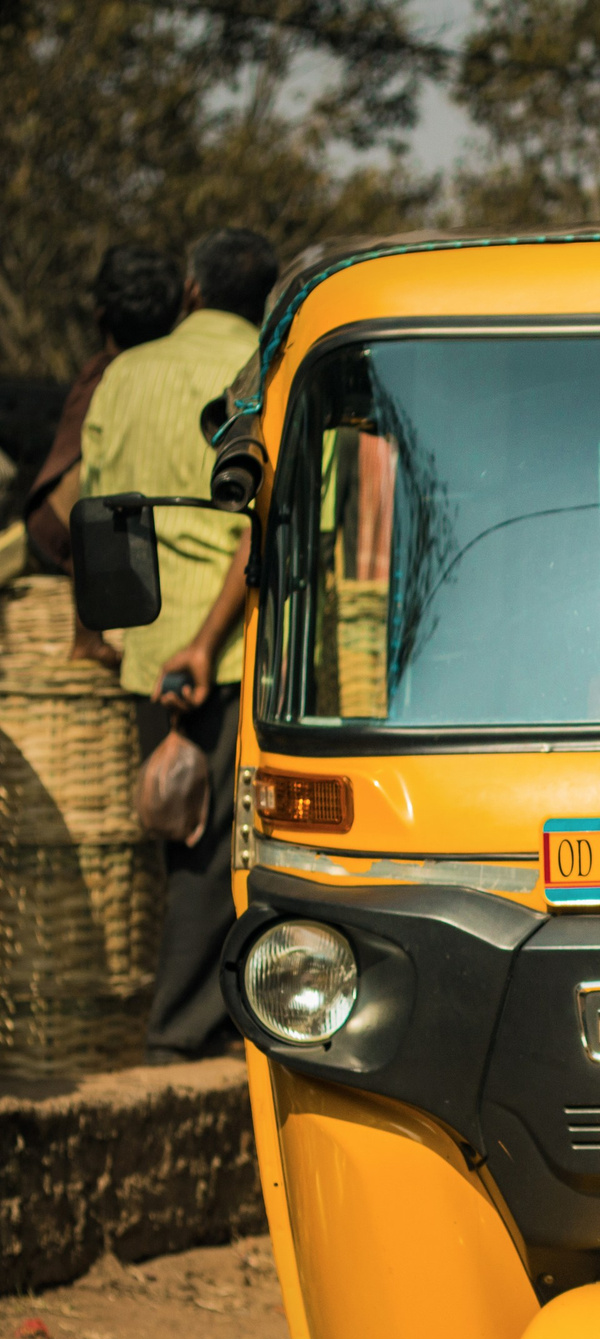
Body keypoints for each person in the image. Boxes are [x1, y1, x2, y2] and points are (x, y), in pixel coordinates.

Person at [80, 226, 278, 1062]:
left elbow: (97, 512)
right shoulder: (264, 375)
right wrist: (204, 644)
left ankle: (195, 1024)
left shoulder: (123, 374)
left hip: (147, 641)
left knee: (175, 834)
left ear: (192, 287)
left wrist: (111, 632)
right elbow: (262, 529)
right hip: (224, 648)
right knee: (213, 847)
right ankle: (184, 1037)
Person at [22, 245, 185, 606]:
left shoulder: (102, 382)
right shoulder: (181, 382)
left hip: (111, 579)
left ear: (99, 317)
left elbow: (81, 499)